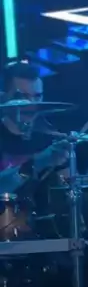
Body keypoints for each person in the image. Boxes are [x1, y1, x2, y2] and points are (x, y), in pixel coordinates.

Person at [0, 60, 69, 193]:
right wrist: (38, 162)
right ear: (3, 97)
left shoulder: (50, 137)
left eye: (37, 96)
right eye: (22, 96)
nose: (31, 104)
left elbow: (68, 187)